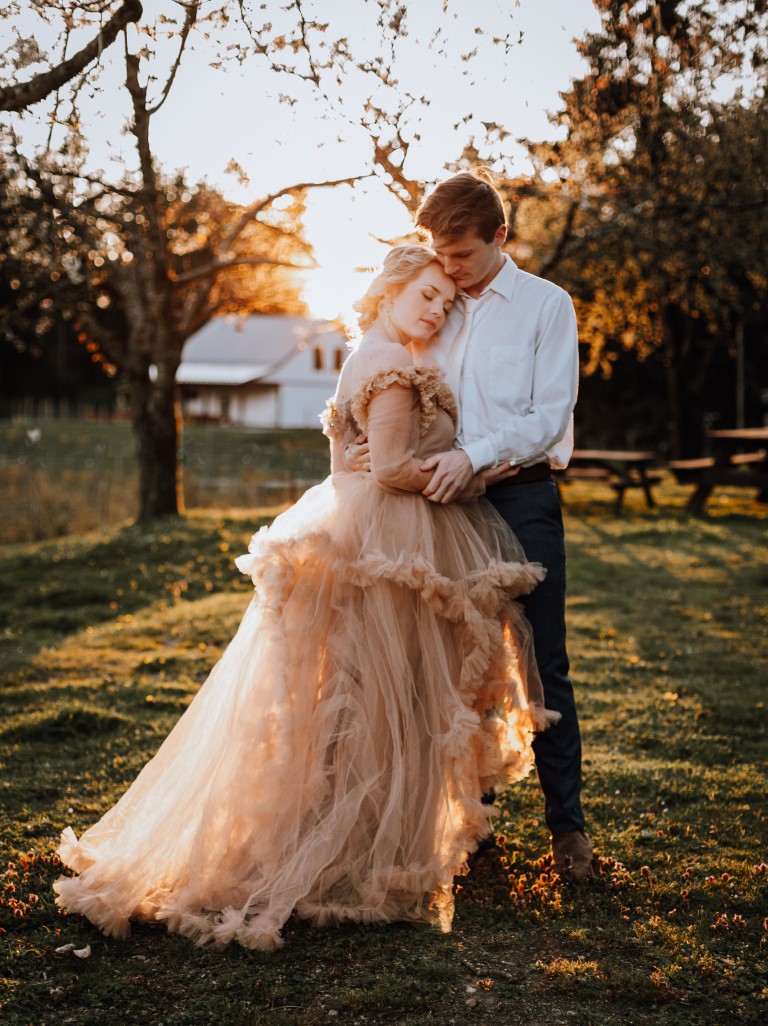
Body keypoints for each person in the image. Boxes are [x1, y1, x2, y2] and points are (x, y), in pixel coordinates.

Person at [54, 246, 559, 952]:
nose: (437, 310)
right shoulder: (392, 363)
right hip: (396, 541)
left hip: (369, 533)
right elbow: (388, 468)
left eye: (446, 302)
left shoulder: (366, 357)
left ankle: (364, 840)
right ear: (388, 289)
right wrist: (474, 479)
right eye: (426, 294)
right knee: (386, 699)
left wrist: (379, 463)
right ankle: (359, 854)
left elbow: (345, 465)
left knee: (356, 700)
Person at [349, 170, 593, 882]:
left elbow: (549, 416)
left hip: (520, 498)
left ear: (500, 237)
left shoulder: (546, 306)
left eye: (462, 254)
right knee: (454, 669)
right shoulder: (435, 304)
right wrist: (367, 444)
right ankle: (470, 829)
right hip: (434, 508)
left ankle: (569, 831)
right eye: (440, 255)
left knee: (542, 664)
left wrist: (473, 457)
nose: (449, 269)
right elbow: (384, 377)